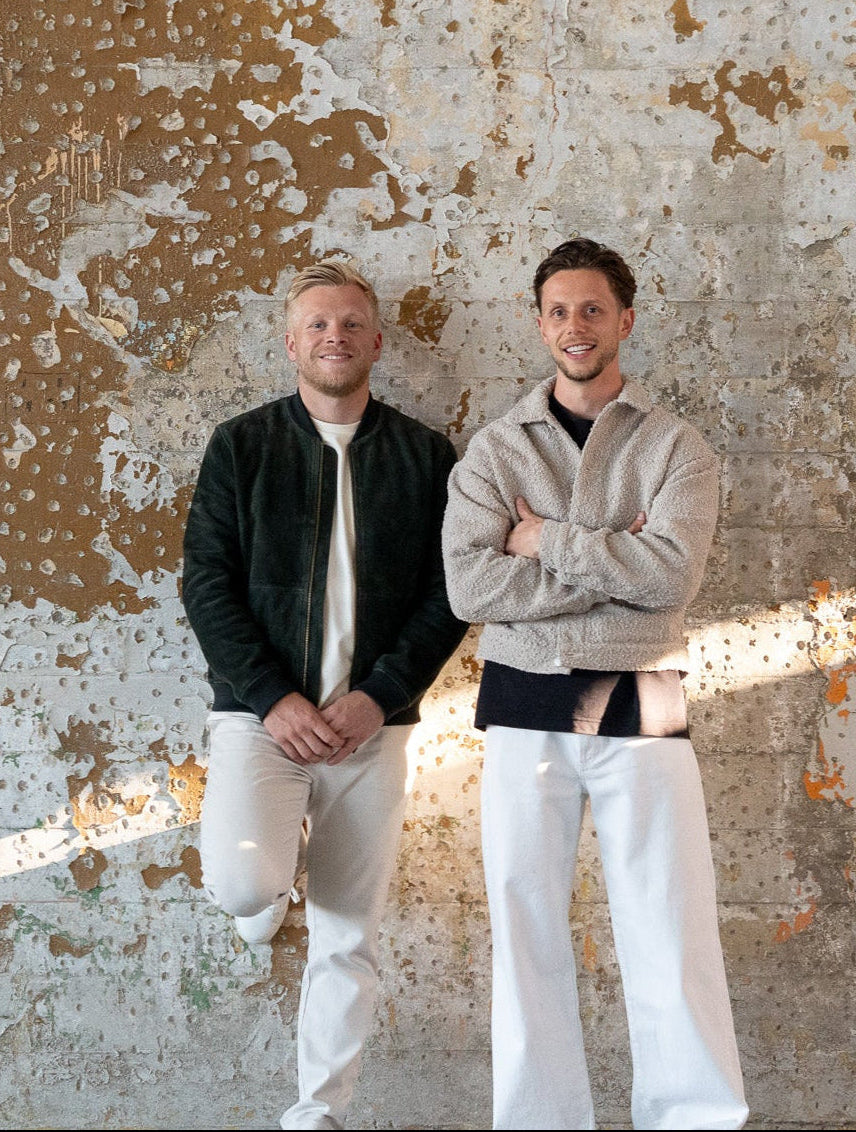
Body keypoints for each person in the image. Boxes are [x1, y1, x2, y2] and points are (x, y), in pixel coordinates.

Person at [442, 237, 749, 1131]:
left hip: (641, 705)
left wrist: (541, 541)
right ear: (537, 324)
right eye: (557, 311)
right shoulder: (497, 449)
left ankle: (693, 1117)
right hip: (521, 709)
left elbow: (670, 582)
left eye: (590, 310)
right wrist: (619, 557)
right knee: (524, 932)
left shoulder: (675, 446)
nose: (573, 327)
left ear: (623, 319)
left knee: (669, 929)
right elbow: (469, 587)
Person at [182, 259, 467, 1131]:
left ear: (376, 342)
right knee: (238, 884)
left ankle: (317, 1114)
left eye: (349, 323)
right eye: (316, 324)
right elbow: (206, 582)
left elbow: (447, 593)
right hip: (260, 722)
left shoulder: (425, 456)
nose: (334, 336)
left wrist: (379, 696)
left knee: (349, 932)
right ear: (290, 341)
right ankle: (267, 894)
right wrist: (273, 698)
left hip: (370, 731)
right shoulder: (242, 445)